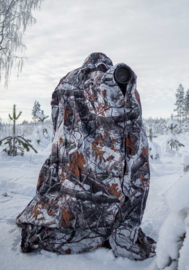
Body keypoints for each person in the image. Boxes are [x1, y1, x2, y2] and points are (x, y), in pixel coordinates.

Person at [16, 52, 156, 260]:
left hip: (69, 164)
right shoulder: (102, 80)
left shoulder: (65, 82)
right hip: (90, 170)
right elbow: (107, 96)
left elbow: (58, 120)